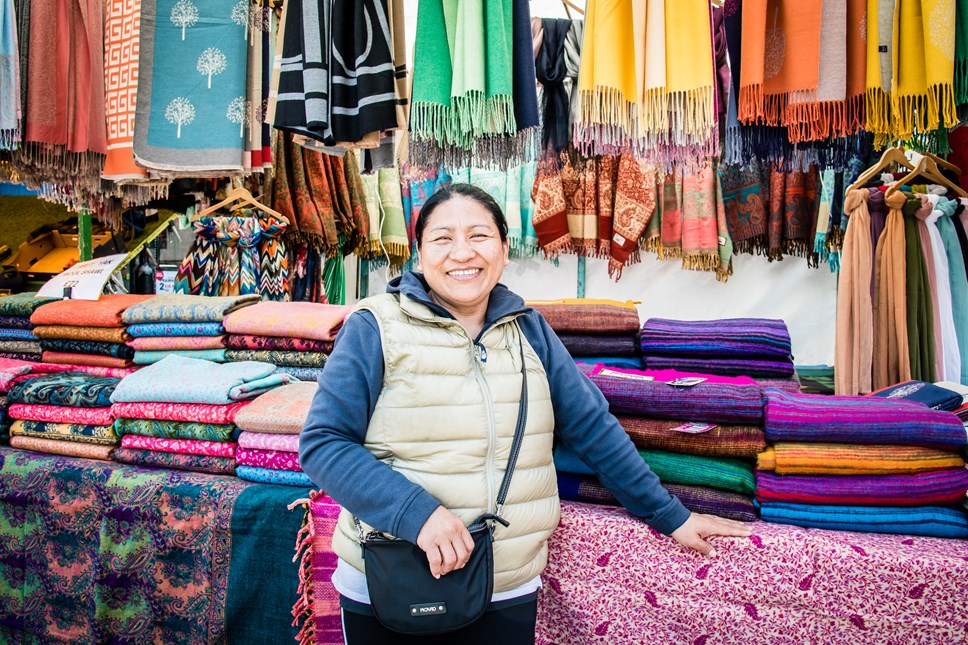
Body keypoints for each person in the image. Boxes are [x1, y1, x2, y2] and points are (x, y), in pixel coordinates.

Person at [299, 183, 752, 644]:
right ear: (418, 253)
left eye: (479, 236)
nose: (462, 252)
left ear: (503, 249)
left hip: (507, 583)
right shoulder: (374, 325)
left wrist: (669, 515)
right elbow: (324, 444)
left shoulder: (529, 329)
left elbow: (593, 428)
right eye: (442, 238)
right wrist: (417, 514)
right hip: (394, 572)